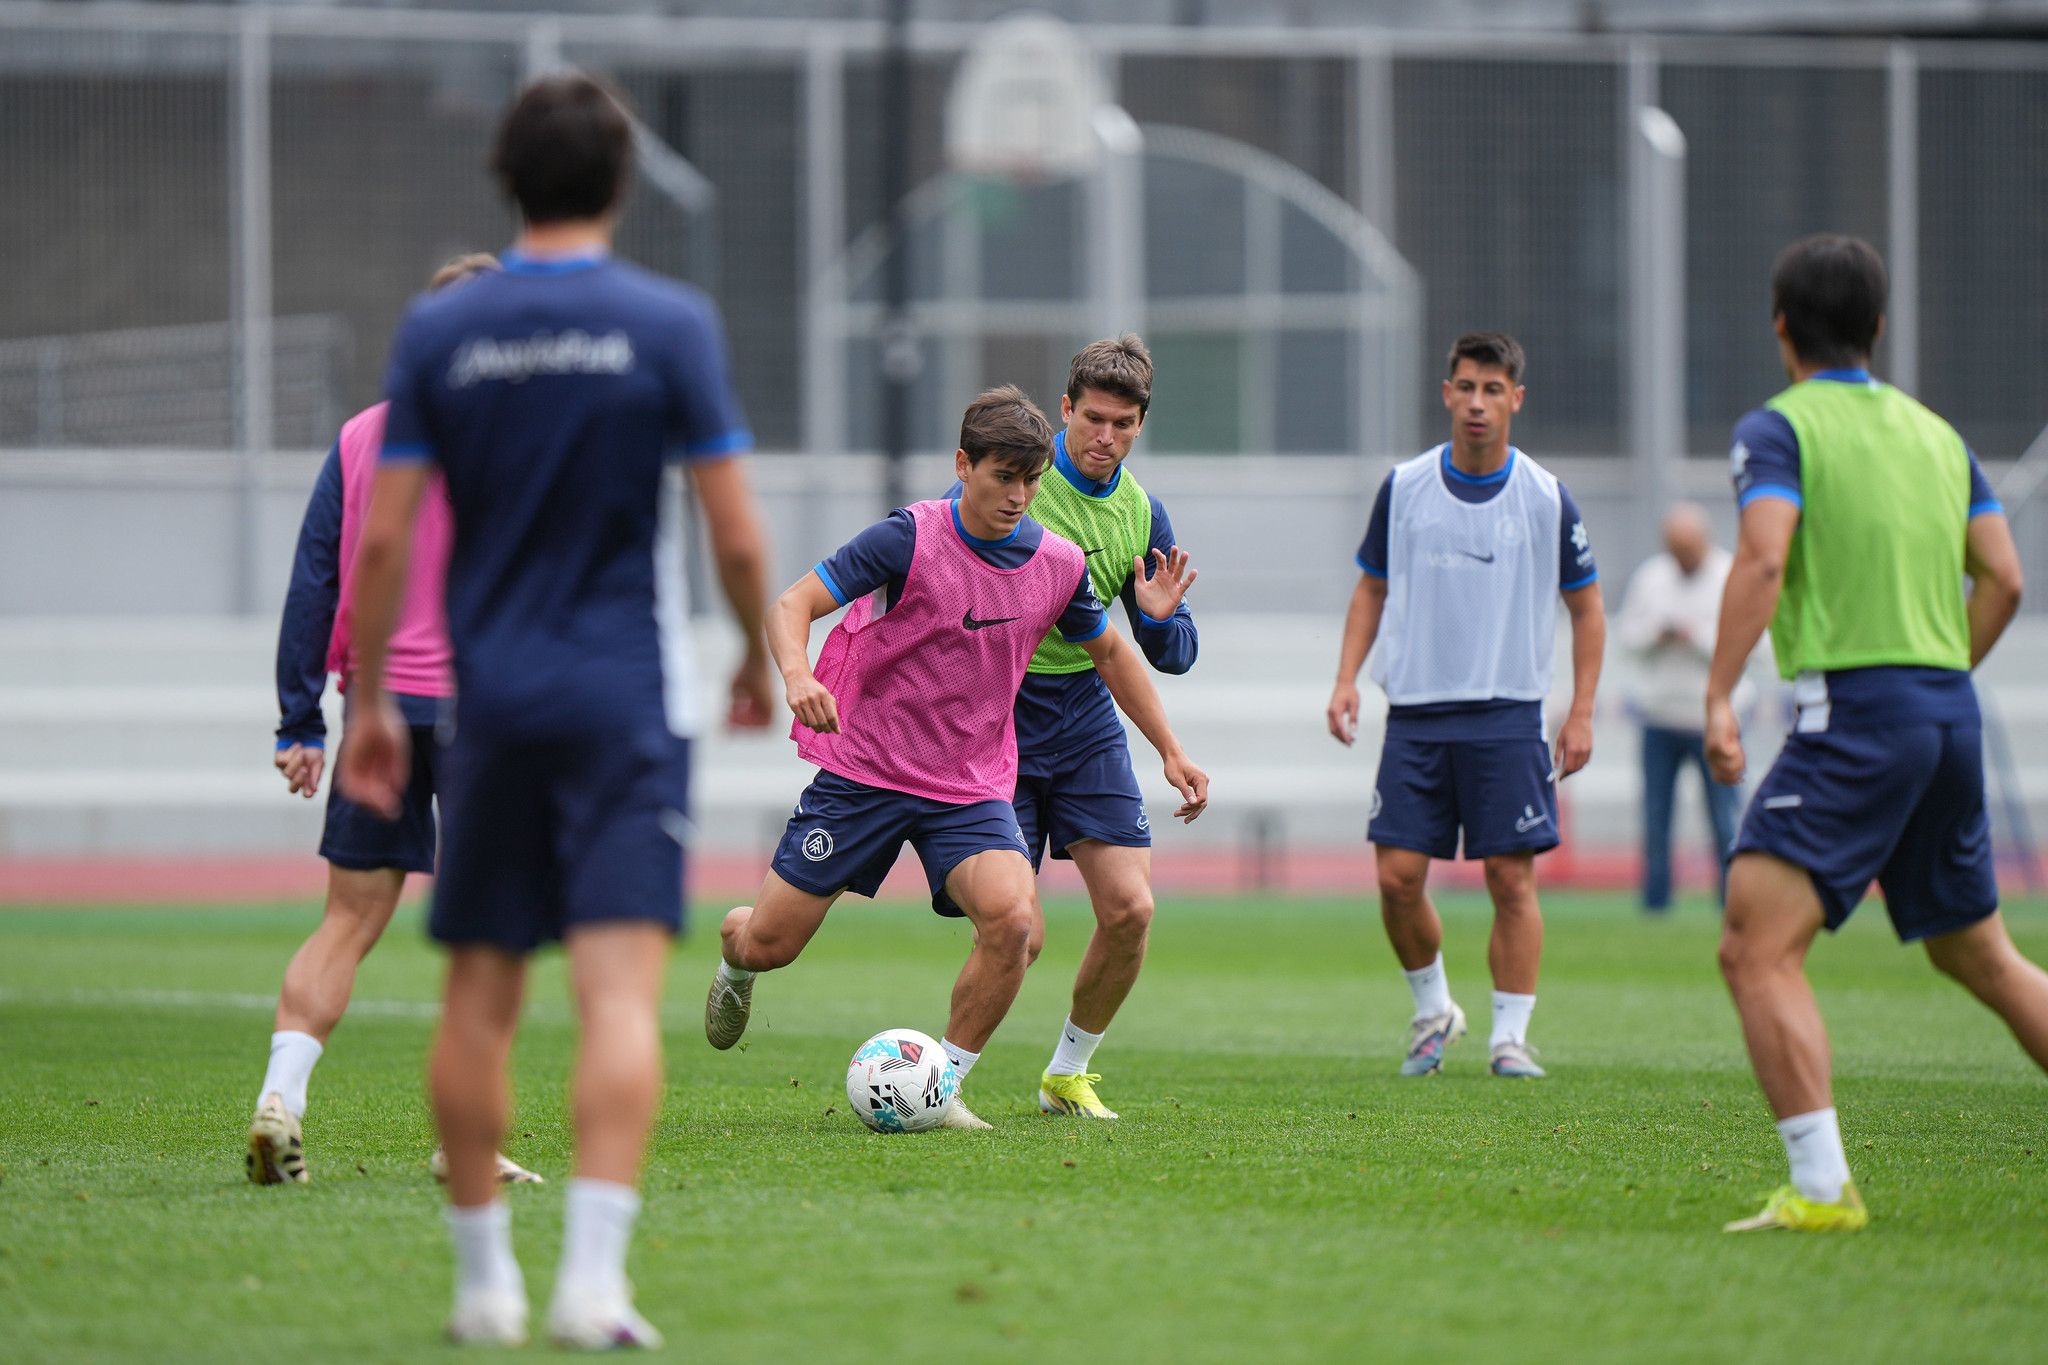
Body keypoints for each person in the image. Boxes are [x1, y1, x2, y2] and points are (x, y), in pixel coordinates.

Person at [338, 73, 773, 1346]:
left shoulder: (442, 332)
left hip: (490, 708)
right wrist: (753, 657)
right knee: (618, 998)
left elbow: (383, 543)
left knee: (478, 998)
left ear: (504, 180)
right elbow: (734, 533)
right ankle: (591, 1285)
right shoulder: (668, 322)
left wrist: (369, 699)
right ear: (623, 183)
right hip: (623, 700)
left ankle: (484, 1289)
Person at [703, 386, 1209, 1129]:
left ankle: (938, 1090)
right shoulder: (907, 537)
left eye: (1031, 480)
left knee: (1013, 922)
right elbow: (791, 604)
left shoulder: (1058, 563)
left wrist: (1170, 749)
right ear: (963, 465)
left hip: (968, 784)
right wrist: (798, 675)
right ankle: (736, 948)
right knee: (770, 944)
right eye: (1003, 477)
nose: (1018, 497)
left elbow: (1108, 652)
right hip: (866, 772)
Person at [1707, 233, 2048, 1233]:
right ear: (1878, 326)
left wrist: (1717, 694)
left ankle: (1821, 1189)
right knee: (1978, 954)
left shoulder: (1777, 430)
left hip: (1856, 715)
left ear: (1780, 326)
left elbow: (1762, 559)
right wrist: (1934, 675)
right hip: (1945, 709)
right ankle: (1819, 1188)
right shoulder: (1937, 435)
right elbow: (2004, 579)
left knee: (1754, 947)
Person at [250, 251, 541, 1190]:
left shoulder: (362, 436)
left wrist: (300, 720)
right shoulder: (521, 435)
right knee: (491, 931)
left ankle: (281, 1095)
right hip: (482, 710)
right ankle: (468, 1138)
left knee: (346, 919)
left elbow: (315, 579)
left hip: (377, 706)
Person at [1326, 332, 1605, 1081]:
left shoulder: (1545, 496)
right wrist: (1347, 678)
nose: (1478, 402)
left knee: (1510, 880)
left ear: (1516, 399)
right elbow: (1371, 587)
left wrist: (1581, 711)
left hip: (1508, 714)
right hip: (1417, 713)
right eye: (1467, 387)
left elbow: (1587, 608)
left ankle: (1510, 1038)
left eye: (1493, 389)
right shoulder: (1404, 487)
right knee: (1396, 879)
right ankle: (1434, 1010)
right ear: (1447, 393)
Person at [943, 335, 1198, 1120]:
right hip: (1000, 714)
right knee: (1018, 929)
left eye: (1123, 424)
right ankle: (940, 1081)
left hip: (1085, 716)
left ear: (1141, 424)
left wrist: (1159, 620)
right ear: (1065, 410)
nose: (1105, 437)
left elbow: (1171, 652)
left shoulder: (1141, 512)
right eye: (1092, 418)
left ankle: (1066, 1073)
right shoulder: (1014, 478)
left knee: (1132, 911)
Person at [1614, 502, 1743, 912]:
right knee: (1656, 819)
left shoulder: (1730, 576)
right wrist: (1657, 635)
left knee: (1724, 818)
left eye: (1688, 549)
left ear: (1705, 541)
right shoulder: (1651, 577)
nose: (1682, 558)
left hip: (1716, 719)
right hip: (1660, 716)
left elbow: (1753, 646)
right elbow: (1626, 638)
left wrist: (1697, 637)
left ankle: (1731, 901)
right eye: (1675, 550)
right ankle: (1656, 904)